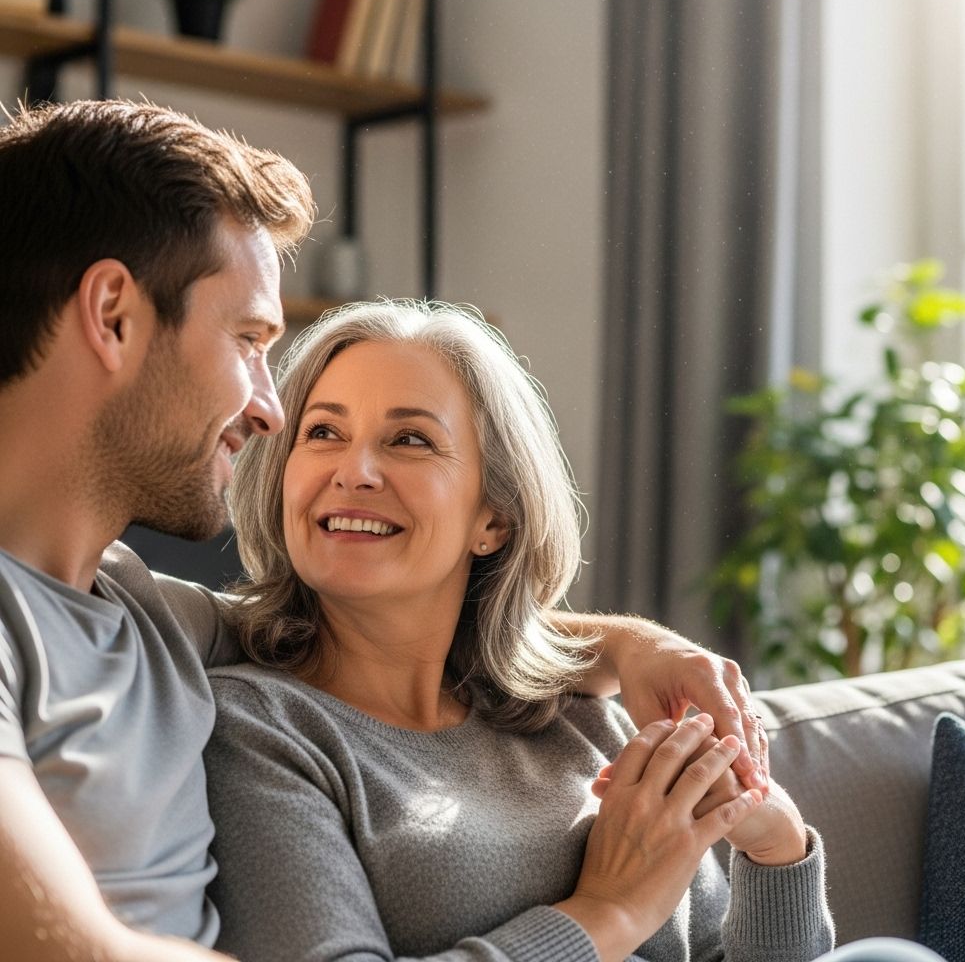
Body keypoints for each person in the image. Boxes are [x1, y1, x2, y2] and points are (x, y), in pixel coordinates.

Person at [0, 98, 773, 962]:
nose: (267, 409)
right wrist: (610, 914)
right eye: (250, 338)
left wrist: (633, 649)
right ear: (112, 314)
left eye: (409, 440)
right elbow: (69, 952)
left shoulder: (149, 617)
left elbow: (378, 628)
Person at [203, 299, 834, 962]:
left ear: (494, 520)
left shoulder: (578, 719)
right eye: (324, 433)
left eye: (409, 440)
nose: (353, 471)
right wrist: (607, 913)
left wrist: (775, 850)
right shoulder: (257, 729)